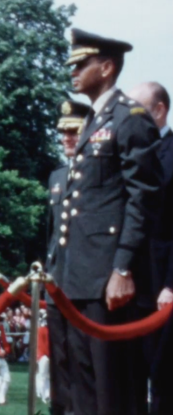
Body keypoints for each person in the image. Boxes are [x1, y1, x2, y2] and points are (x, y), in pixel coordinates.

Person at [59, 29, 163, 415]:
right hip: (81, 275)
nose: (73, 71)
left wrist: (123, 265)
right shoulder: (92, 121)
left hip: (109, 278)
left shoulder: (129, 118)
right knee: (84, 387)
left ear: (105, 67)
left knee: (113, 389)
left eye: (81, 64)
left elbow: (143, 198)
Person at [128, 81, 173, 415]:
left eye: (137, 109)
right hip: (128, 284)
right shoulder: (128, 154)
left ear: (159, 110)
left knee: (163, 381)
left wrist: (171, 284)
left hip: (162, 284)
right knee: (126, 378)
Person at [45, 98, 89, 415]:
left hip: (85, 281)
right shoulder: (57, 177)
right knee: (58, 357)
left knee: (82, 355)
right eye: (63, 133)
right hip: (57, 281)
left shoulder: (98, 173)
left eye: (73, 132)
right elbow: (51, 233)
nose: (67, 139)